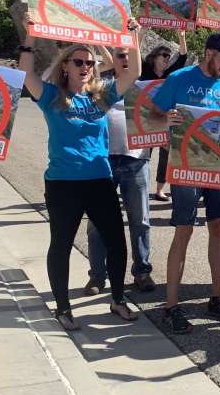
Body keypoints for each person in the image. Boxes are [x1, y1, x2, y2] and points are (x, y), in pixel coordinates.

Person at [19, 16, 143, 331]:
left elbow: (134, 72)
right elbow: (24, 73)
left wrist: (132, 39)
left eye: (89, 62)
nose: (85, 66)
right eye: (78, 61)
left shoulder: (100, 94)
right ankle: (62, 308)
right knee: (61, 244)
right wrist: (30, 37)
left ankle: (117, 299)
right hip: (63, 183)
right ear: (66, 66)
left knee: (117, 242)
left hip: (99, 180)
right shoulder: (50, 95)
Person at [150, 31, 220, 334]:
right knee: (184, 230)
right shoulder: (179, 78)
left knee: (218, 228)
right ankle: (171, 307)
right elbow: (151, 115)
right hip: (186, 167)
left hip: (219, 170)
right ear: (208, 53)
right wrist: (166, 124)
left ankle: (217, 297)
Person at [84, 45, 155, 296]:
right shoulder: (98, 85)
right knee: (96, 223)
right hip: (102, 161)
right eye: (120, 55)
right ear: (111, 58)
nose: (125, 60)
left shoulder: (146, 86)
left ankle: (142, 272)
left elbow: (160, 117)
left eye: (128, 55)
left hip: (136, 161)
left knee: (141, 221)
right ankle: (97, 276)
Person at [144, 31, 188, 202]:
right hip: (145, 119)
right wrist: (140, 31)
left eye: (168, 56)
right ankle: (138, 186)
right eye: (164, 55)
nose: (167, 58)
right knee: (143, 154)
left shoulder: (171, 74)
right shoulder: (145, 70)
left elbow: (183, 57)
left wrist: (182, 37)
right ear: (154, 57)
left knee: (164, 154)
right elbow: (135, 49)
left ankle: (159, 190)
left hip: (165, 120)